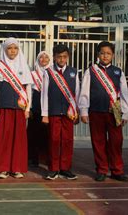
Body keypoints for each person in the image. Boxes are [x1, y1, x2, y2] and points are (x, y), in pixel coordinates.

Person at [79, 41, 128, 182]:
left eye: (108, 53)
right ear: (98, 54)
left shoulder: (118, 71)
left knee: (116, 141)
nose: (105, 56)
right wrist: (83, 110)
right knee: (98, 141)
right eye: (102, 53)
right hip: (96, 111)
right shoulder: (91, 71)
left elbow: (124, 93)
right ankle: (101, 169)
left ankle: (117, 170)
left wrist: (125, 112)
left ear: (113, 55)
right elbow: (84, 92)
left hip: (115, 111)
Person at [0, 37, 32, 179]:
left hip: (19, 109)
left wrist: (27, 108)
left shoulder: (24, 66)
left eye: (15, 48)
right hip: (4, 108)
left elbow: (28, 89)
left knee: (18, 139)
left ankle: (17, 167)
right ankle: (2, 168)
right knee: (3, 139)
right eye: (9, 48)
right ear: (4, 50)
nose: (12, 51)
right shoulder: (0, 67)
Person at [41, 44, 79, 180]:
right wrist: (45, 114)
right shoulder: (48, 72)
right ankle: (53, 168)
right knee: (54, 140)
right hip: (54, 112)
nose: (62, 59)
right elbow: (44, 94)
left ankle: (65, 168)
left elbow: (77, 93)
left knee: (67, 141)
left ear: (68, 57)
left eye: (64, 57)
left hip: (69, 113)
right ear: (55, 57)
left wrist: (76, 111)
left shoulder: (74, 72)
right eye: (59, 57)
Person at [28, 51, 50, 167]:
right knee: (34, 133)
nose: (44, 59)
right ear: (38, 59)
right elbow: (28, 93)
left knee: (47, 134)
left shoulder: (53, 73)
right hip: (35, 106)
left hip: (49, 107)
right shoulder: (32, 74)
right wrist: (29, 108)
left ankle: (45, 157)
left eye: (46, 57)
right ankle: (33, 157)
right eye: (41, 57)